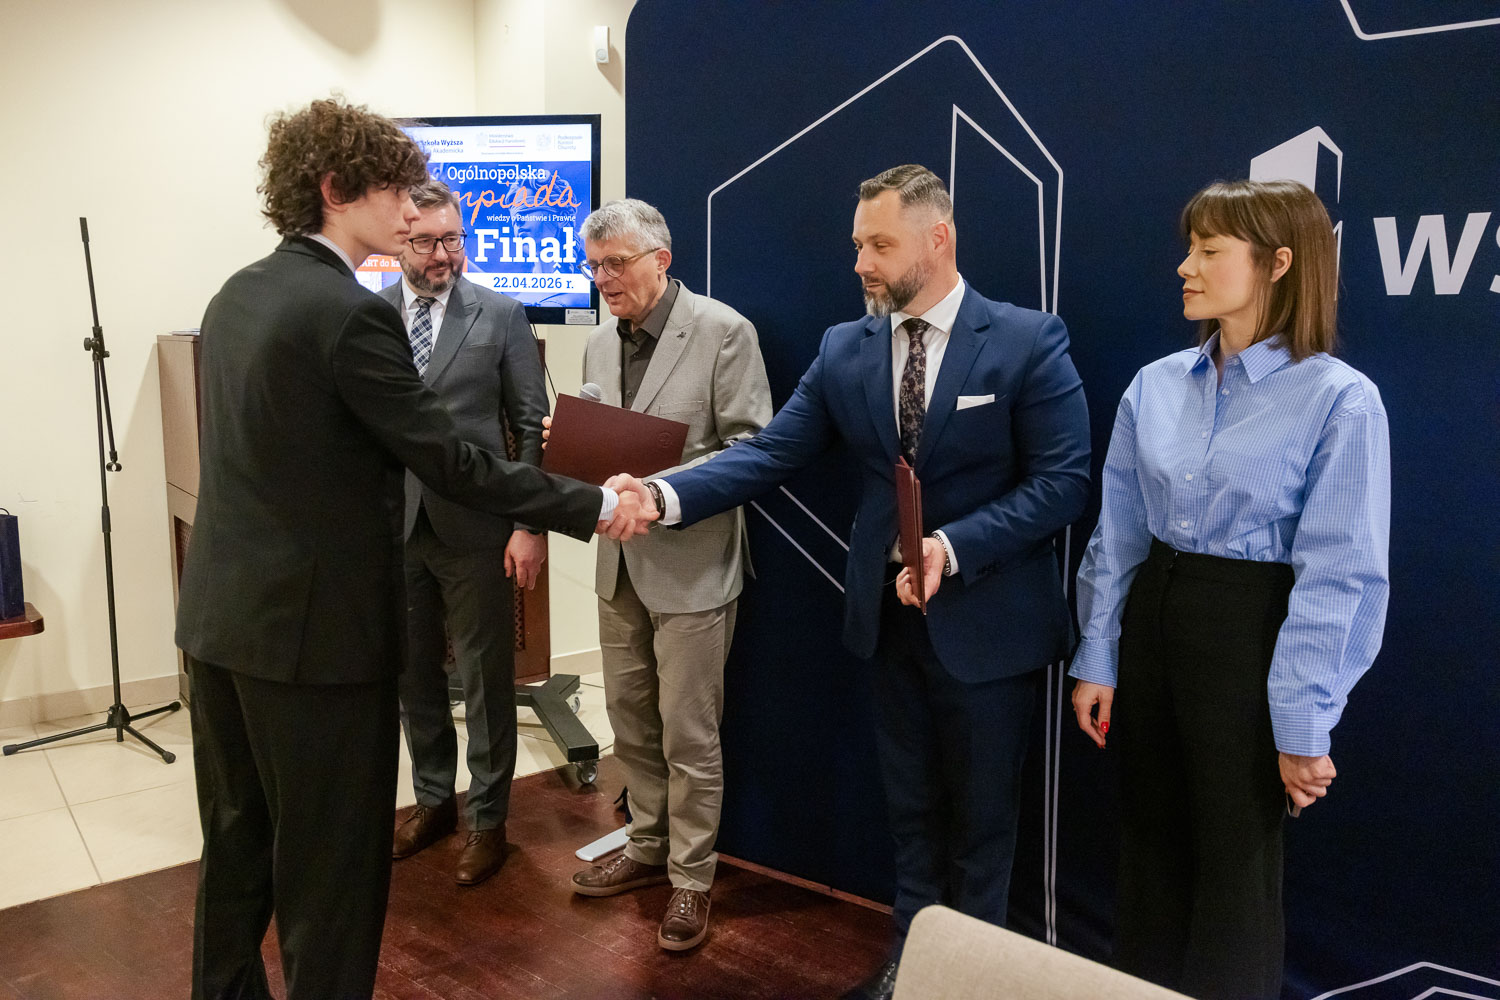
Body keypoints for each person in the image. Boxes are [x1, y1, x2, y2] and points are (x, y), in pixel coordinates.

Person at [174, 97, 651, 1000]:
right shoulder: (349, 313)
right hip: (313, 643)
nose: (409, 208)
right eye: (393, 189)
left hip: (219, 621)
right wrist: (592, 502)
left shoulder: (238, 292)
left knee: (237, 845)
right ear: (334, 189)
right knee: (331, 872)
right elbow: (451, 461)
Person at [612, 164, 1091, 1000]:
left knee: (984, 824)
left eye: (879, 245)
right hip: (889, 622)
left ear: (938, 238)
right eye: (857, 244)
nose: (861, 263)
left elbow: (1063, 483)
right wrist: (661, 495)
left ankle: (972, 983)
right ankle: (912, 963)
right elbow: (771, 452)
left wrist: (952, 547)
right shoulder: (847, 347)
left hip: (990, 627)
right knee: (909, 812)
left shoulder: (1026, 339)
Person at [1069, 179, 1390, 1000]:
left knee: (1235, 874)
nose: (1186, 267)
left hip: (1250, 634)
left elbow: (1339, 574)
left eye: (1210, 250)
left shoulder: (1339, 399)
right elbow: (1119, 534)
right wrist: (1098, 654)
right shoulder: (1154, 384)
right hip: (1154, 620)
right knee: (1148, 852)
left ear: (1278, 263)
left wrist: (1303, 725)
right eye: (1191, 248)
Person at [564, 199, 772, 952]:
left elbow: (752, 450)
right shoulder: (597, 344)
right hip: (617, 564)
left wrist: (659, 491)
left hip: (693, 564)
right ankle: (647, 844)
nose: (603, 279)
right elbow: (604, 447)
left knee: (689, 732)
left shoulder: (724, 332)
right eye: (594, 266)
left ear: (662, 258)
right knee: (629, 720)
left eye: (616, 264)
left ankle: (691, 878)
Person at [381, 179, 548, 886]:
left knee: (484, 679)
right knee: (412, 675)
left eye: (453, 239)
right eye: (426, 241)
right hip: (394, 526)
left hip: (477, 527)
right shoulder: (370, 315)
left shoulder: (501, 314)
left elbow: (530, 426)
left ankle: (487, 819)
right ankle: (432, 802)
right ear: (401, 243)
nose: (443, 254)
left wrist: (529, 523)